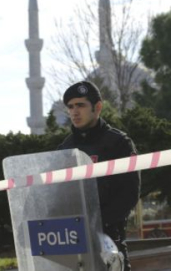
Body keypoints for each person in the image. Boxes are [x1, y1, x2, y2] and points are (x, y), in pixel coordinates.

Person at [57, 81, 140, 271]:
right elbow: (57, 194)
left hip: (107, 241)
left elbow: (129, 194)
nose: (74, 112)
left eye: (81, 105)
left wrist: (95, 223)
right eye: (70, 106)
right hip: (71, 241)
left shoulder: (118, 143)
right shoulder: (65, 148)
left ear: (98, 107)